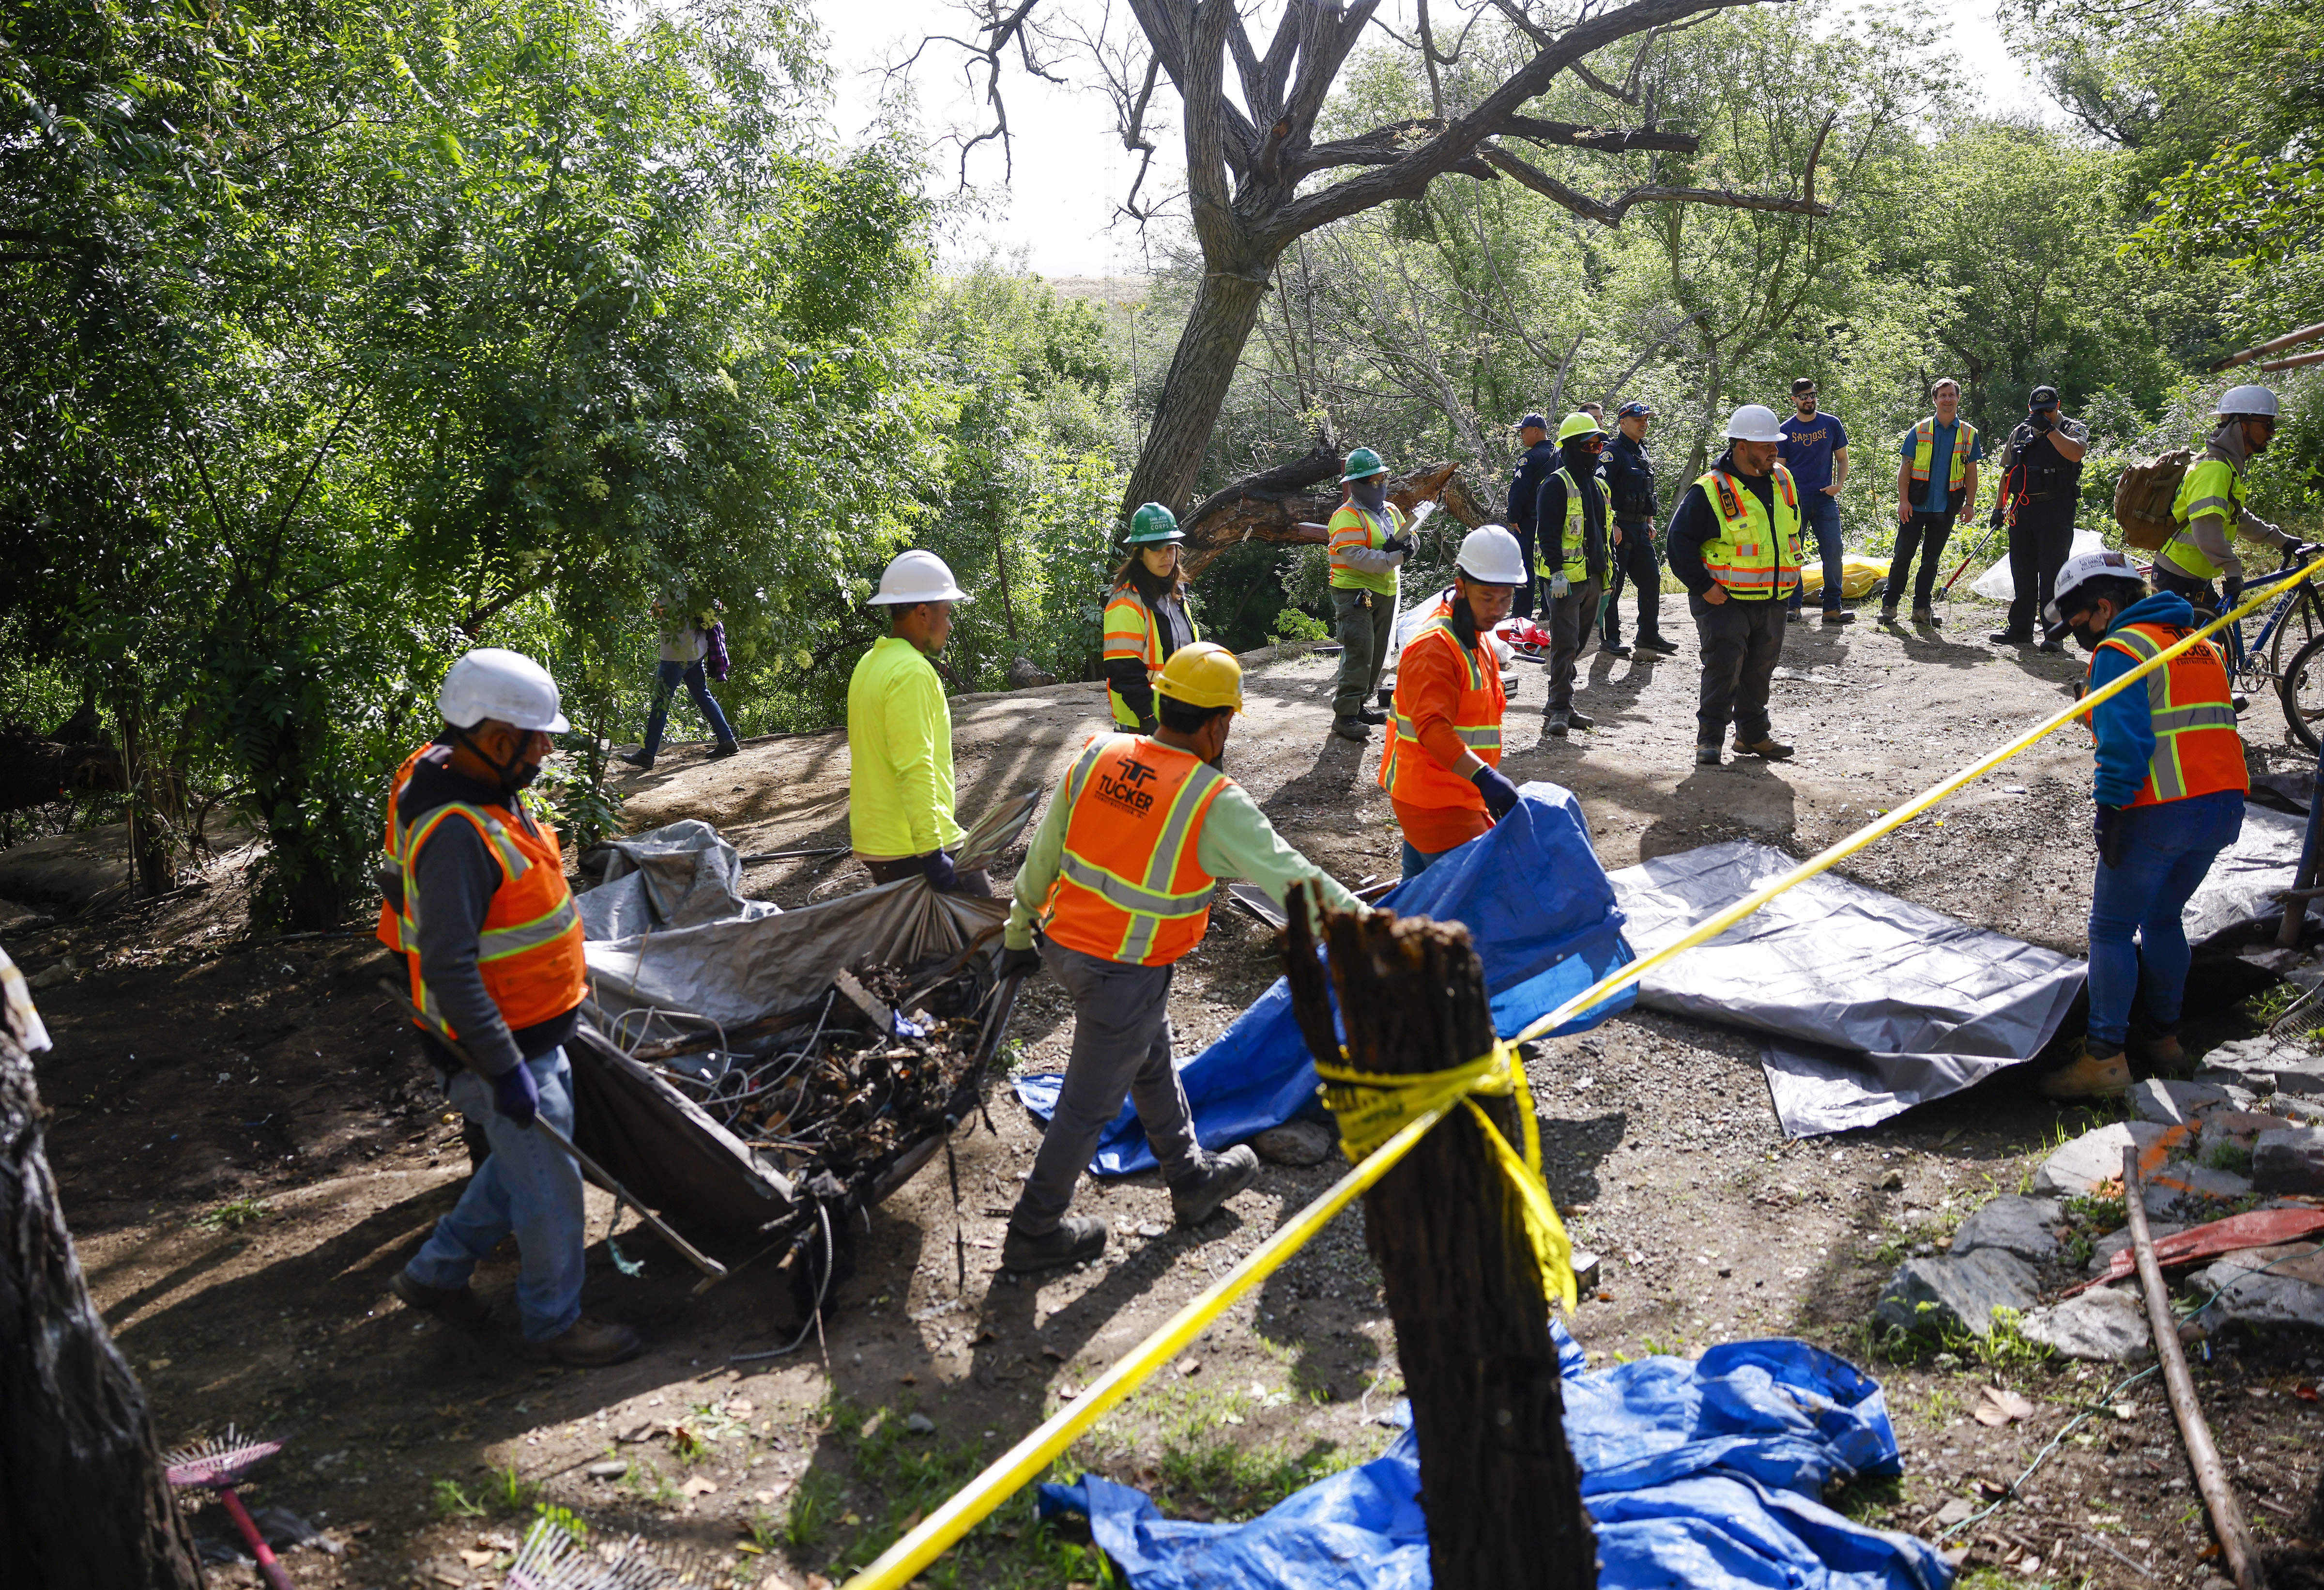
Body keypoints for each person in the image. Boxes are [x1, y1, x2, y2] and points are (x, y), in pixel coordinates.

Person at [994, 643, 1366, 1269]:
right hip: (1122, 968)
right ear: (1219, 723)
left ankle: (1190, 1176)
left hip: (1067, 948)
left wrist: (1015, 929)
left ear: (1164, 701)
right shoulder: (1210, 799)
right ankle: (1035, 1227)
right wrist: (1375, 926)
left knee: (1151, 1051)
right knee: (1088, 1103)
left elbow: (1044, 852)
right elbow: (1294, 879)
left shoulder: (1099, 753)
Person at [384, 649, 641, 1366]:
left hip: (535, 1030)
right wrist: (502, 1068)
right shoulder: (457, 833)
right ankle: (553, 1320)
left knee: (522, 1162)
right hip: (497, 1045)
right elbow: (448, 965)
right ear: (496, 741)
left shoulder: (476, 782)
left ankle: (434, 1273)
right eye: (537, 738)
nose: (548, 749)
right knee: (550, 1183)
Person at [2037, 550, 2247, 1098]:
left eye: (2079, 623)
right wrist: (2094, 705)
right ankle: (2164, 1039)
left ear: (2104, 606)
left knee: (2110, 929)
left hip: (2159, 810)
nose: (2081, 637)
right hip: (2222, 806)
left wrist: (2111, 808)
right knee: (2161, 919)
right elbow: (2174, 714)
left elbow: (2127, 745)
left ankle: (2105, 1056)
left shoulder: (2120, 648)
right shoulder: (2200, 643)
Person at [1381, 526, 1530, 879]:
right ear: (1461, 587)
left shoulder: (1475, 640)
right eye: (1487, 598)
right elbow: (1432, 730)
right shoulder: (1434, 648)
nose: (1497, 610)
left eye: (1506, 599)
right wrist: (1487, 777)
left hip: (1446, 795)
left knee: (1418, 902)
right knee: (1478, 903)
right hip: (1438, 802)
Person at [1667, 405, 1804, 767]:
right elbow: (1677, 543)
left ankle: (1752, 736)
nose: (1773, 450)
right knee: (1724, 667)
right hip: (1724, 599)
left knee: (1760, 669)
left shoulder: (1784, 480)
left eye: (1775, 444)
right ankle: (1709, 740)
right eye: (1765, 445)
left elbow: (1792, 534)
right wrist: (1703, 586)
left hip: (1773, 598)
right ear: (1740, 446)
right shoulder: (1710, 490)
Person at [849, 550, 990, 895]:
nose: (951, 624)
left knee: (932, 947)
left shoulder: (870, 663)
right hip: (914, 845)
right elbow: (914, 766)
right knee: (988, 934)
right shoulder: (912, 672)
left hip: (881, 844)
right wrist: (932, 853)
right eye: (948, 613)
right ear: (923, 613)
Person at [2152, 385, 2298, 623]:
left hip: (2195, 578)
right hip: (2179, 580)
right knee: (2197, 657)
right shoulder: (2214, 469)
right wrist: (2231, 567)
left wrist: (2281, 540)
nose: (2272, 432)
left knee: (2218, 652)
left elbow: (2237, 518)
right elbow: (2205, 527)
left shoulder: (2227, 465)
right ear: (2242, 426)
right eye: (2268, 425)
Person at [1987, 386, 2091, 653]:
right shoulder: (2020, 432)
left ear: (2058, 406)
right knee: (2022, 571)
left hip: (2056, 510)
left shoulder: (2071, 429)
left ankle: (2054, 634)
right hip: (2022, 509)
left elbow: (2075, 453)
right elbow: (2007, 472)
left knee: (2052, 574)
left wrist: (2049, 429)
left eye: (2049, 410)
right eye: (2038, 411)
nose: (2043, 414)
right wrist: (1999, 507)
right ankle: (2020, 630)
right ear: (2029, 409)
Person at [1533, 413, 1613, 737]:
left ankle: (1558, 697)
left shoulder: (1598, 485)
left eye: (1599, 444)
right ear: (1570, 447)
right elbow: (1548, 534)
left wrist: (1610, 571)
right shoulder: (1555, 484)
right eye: (1589, 445)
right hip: (1564, 579)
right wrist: (1555, 573)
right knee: (1565, 643)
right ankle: (1561, 707)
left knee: (1579, 641)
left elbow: (1603, 533)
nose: (1595, 450)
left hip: (1594, 575)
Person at [1326, 447, 1412, 743]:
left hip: (1385, 589)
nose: (1379, 485)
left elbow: (1406, 539)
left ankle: (1359, 705)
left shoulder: (1390, 511)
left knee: (1376, 653)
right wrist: (1393, 558)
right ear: (1355, 485)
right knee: (1360, 649)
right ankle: (1345, 715)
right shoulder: (1345, 517)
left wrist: (1410, 547)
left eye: (1382, 479)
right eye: (1371, 481)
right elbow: (1356, 557)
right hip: (1353, 592)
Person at [1885, 379, 1983, 628]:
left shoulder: (1969, 434)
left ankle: (1921, 609)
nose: (1948, 400)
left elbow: (1971, 473)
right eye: (1943, 396)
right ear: (1935, 400)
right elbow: (1905, 468)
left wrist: (1970, 504)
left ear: (1958, 398)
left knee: (1931, 561)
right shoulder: (1920, 430)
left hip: (1945, 508)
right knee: (1902, 557)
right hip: (1914, 507)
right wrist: (1903, 501)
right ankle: (1889, 606)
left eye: (1952, 395)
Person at [1104, 503, 1201, 731]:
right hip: (1142, 725)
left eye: (1171, 548)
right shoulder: (1126, 603)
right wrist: (1148, 718)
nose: (1166, 556)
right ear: (1139, 553)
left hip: (1178, 715)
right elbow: (1124, 670)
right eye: (1157, 549)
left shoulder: (1176, 594)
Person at [620, 596, 738, 771]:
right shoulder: (698, 587)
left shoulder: (670, 587)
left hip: (675, 655)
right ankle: (727, 740)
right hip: (696, 651)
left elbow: (654, 613)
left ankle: (647, 754)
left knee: (661, 702)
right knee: (702, 694)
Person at [1600, 400, 1676, 657]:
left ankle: (1648, 634)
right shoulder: (1611, 453)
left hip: (1640, 528)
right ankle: (1610, 638)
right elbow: (1601, 491)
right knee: (1614, 585)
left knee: (1650, 581)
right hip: (1619, 528)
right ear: (1623, 423)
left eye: (1646, 420)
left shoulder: (1642, 450)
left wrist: (1649, 522)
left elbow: (1647, 492)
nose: (1644, 424)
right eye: (1638, 420)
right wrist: (1613, 525)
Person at [1776, 378, 1853, 627]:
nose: (1809, 399)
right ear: (1795, 400)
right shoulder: (1785, 429)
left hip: (1825, 499)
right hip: (1794, 502)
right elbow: (1780, 468)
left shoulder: (1831, 423)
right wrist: (1784, 498)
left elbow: (1842, 459)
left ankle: (1832, 608)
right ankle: (1793, 605)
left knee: (1833, 551)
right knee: (1794, 553)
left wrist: (1838, 486)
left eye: (1812, 395)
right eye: (1803, 396)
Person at [1503, 413, 1556, 620]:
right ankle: (1549, 609)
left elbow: (1519, 489)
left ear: (1536, 431)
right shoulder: (1560, 454)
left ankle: (1522, 613)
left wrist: (1513, 516)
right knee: (1551, 561)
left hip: (1530, 520)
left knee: (1525, 564)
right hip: (1554, 520)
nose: (1522, 436)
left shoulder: (1530, 458)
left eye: (1524, 431)